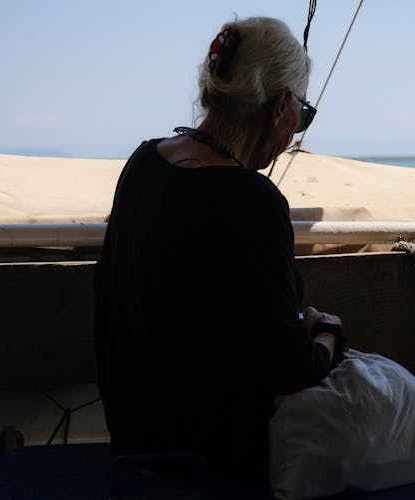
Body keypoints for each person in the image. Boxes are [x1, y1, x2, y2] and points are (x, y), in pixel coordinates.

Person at [93, 15, 345, 491]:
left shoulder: (144, 162)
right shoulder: (254, 204)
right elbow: (291, 367)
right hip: (212, 468)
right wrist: (327, 332)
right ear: (282, 106)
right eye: (303, 116)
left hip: (131, 448)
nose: (296, 131)